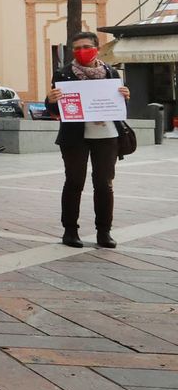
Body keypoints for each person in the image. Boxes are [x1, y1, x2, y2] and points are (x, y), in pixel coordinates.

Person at [46, 30, 133, 249]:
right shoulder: (63, 74)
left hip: (106, 135)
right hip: (74, 136)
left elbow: (119, 109)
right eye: (77, 48)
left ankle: (104, 232)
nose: (82, 51)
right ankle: (70, 231)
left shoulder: (111, 73)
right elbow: (56, 109)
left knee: (104, 184)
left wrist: (125, 97)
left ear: (96, 48)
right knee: (74, 182)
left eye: (86, 47)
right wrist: (50, 100)